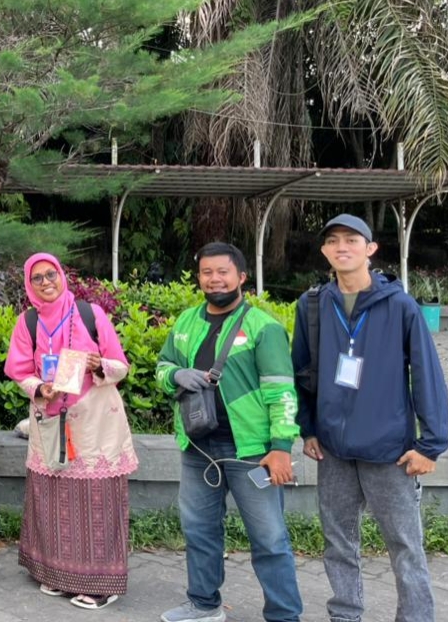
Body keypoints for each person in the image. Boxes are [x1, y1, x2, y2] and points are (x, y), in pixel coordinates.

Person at [293, 214, 448, 622]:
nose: (341, 247)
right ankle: (345, 614)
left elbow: (426, 373)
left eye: (351, 240)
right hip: (333, 450)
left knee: (405, 545)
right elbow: (302, 372)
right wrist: (307, 428)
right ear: (325, 251)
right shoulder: (311, 305)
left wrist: (430, 444)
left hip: (389, 451)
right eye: (333, 241)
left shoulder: (400, 306)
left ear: (370, 249)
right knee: (338, 542)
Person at [155, 242, 301, 622]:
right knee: (199, 532)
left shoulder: (263, 327)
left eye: (223, 271)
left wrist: (282, 446)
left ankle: (284, 615)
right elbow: (161, 366)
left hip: (251, 451)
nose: (214, 279)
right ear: (199, 277)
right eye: (207, 272)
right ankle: (204, 606)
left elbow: (281, 390)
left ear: (241, 277)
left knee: (269, 539)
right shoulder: (187, 321)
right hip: (197, 449)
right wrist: (174, 375)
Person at [3, 253, 137, 610]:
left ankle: (101, 584)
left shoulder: (91, 315)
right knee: (52, 495)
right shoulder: (28, 321)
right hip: (50, 418)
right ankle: (56, 575)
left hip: (95, 421)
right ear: (29, 286)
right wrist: (39, 388)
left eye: (51, 275)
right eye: (38, 279)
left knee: (97, 498)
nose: (46, 283)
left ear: (63, 276)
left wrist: (98, 365)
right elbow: (17, 370)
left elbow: (120, 366)